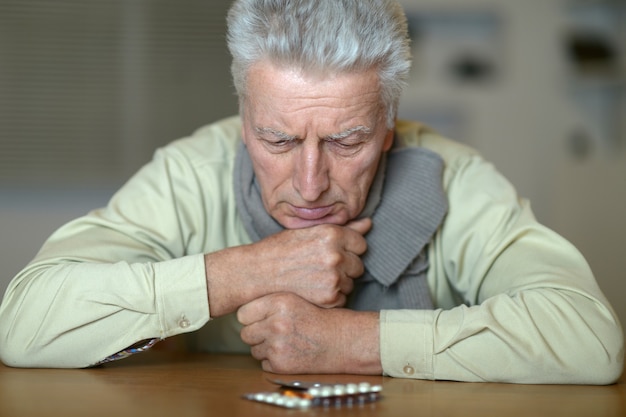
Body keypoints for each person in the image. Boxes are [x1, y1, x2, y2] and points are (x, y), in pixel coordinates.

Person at [0, 0, 623, 384]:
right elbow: (25, 324)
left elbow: (590, 341)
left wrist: (356, 343)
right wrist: (241, 272)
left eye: (345, 141)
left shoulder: (454, 179)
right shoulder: (192, 170)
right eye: (276, 140)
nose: (309, 184)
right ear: (243, 119)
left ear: (388, 124)